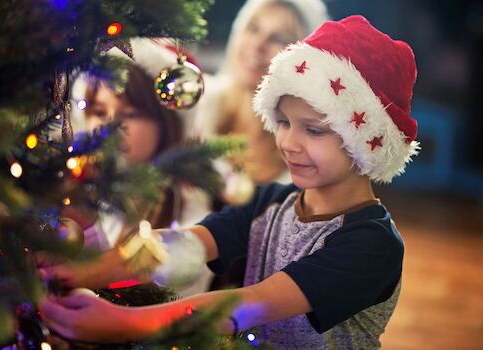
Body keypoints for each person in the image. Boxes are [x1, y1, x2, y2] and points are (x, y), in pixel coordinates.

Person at [39, 15, 420, 349]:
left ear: (363, 142)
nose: (288, 142)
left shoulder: (374, 245)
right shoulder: (271, 202)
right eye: (284, 122)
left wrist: (120, 324)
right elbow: (184, 245)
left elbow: (249, 303)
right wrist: (87, 271)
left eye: (314, 130)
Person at [65, 39, 212, 295]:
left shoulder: (191, 213)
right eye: (100, 112)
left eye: (130, 115)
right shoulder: (76, 194)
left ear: (166, 123)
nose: (111, 127)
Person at [194, 0, 329, 185]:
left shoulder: (310, 154)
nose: (257, 45)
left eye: (279, 38)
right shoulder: (195, 105)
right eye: (253, 28)